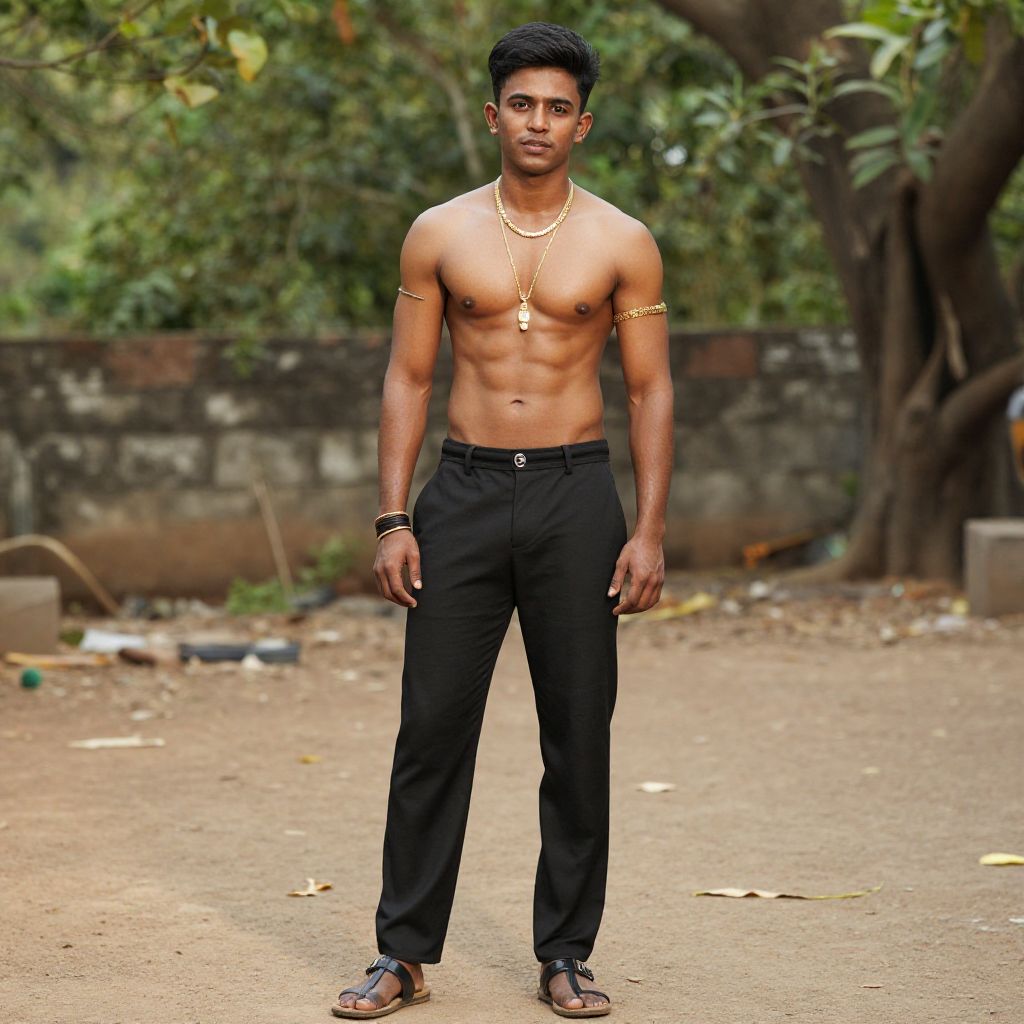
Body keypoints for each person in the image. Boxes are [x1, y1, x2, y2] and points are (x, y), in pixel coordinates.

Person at [332, 20, 673, 1021]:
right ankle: (403, 954)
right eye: (522, 103)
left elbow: (651, 394)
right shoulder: (439, 233)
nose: (538, 121)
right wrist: (394, 515)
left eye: (557, 107)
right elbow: (408, 374)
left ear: (583, 124)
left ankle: (564, 952)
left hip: (576, 494)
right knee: (432, 729)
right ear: (494, 115)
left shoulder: (622, 242)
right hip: (464, 492)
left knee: (577, 733)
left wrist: (647, 530)